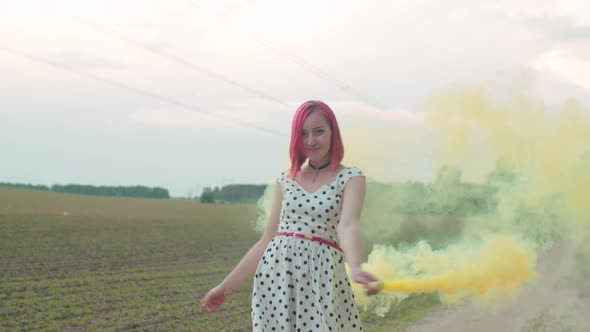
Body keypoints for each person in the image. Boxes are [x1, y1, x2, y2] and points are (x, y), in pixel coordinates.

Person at [200, 100, 379, 331]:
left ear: (333, 133)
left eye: (319, 131)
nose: (311, 141)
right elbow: (267, 240)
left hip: (322, 278)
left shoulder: (351, 178)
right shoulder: (285, 180)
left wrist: (355, 266)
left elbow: (348, 225)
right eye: (303, 134)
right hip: (276, 278)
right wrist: (224, 287)